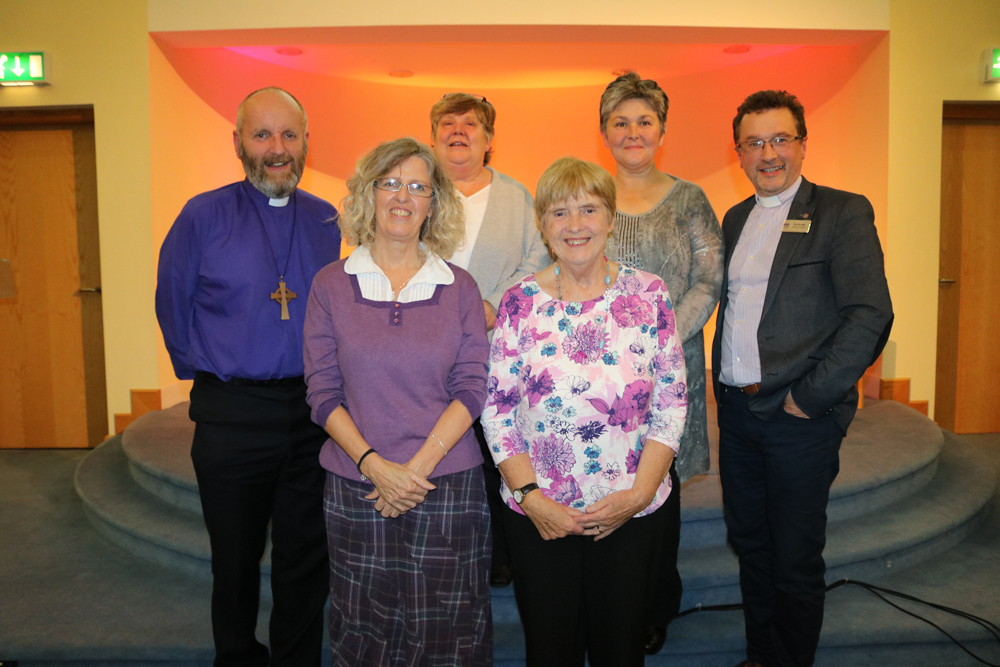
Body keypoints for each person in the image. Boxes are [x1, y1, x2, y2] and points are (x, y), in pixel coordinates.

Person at [155, 87, 340, 667]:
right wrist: (210, 374)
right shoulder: (202, 215)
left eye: (289, 135)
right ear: (237, 143)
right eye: (262, 135)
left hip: (311, 414)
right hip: (231, 414)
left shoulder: (326, 219)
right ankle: (236, 656)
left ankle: (296, 658)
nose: (277, 148)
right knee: (233, 558)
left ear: (307, 142)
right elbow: (171, 302)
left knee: (305, 556)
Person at [483, 156, 688, 667]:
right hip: (541, 516)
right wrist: (531, 497)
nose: (575, 225)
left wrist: (638, 495)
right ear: (544, 225)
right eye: (559, 213)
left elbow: (671, 404)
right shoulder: (519, 304)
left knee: (620, 651)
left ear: (611, 218)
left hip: (629, 512)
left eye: (589, 210)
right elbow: (497, 412)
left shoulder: (649, 294)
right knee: (551, 651)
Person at [712, 90, 893, 667]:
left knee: (792, 557)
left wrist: (810, 399)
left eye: (780, 139)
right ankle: (760, 656)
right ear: (738, 151)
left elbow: (870, 314)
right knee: (752, 546)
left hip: (798, 417)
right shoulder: (736, 217)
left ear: (802, 144)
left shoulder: (842, 212)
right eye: (754, 142)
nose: (768, 153)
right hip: (738, 417)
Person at [303, 138, 492, 666]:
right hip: (356, 483)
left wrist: (414, 471)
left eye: (417, 186)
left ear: (434, 203)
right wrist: (374, 467)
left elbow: (472, 387)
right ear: (369, 194)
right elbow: (321, 391)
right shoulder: (330, 285)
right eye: (389, 183)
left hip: (447, 482)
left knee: (449, 628)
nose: (402, 196)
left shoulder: (459, 288)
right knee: (364, 627)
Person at [599, 72, 724, 653]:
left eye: (643, 121)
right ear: (604, 131)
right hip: (597, 371)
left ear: (662, 130)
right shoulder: (590, 194)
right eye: (620, 121)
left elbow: (708, 278)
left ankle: (654, 603)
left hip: (671, 367)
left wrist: (658, 339)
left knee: (659, 488)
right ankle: (607, 597)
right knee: (602, 477)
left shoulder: (690, 198)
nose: (632, 132)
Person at [430, 92, 551, 587]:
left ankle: (500, 556)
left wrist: (494, 304)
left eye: (471, 124)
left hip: (496, 344)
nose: (459, 131)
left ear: (489, 139)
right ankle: (445, 551)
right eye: (448, 124)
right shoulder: (420, 191)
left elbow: (537, 260)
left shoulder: (516, 197)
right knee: (440, 445)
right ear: (434, 136)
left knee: (494, 446)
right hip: (428, 347)